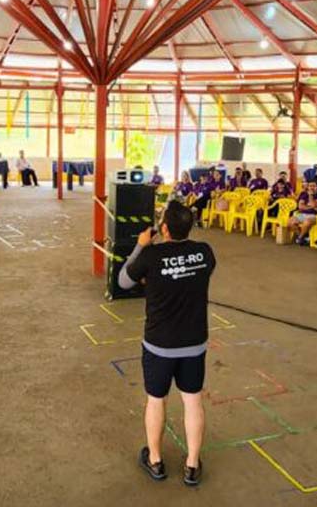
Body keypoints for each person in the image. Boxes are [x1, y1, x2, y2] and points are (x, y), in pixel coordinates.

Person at [117, 202, 215, 486]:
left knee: (156, 400)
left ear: (164, 228)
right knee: (193, 401)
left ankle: (156, 461)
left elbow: (123, 281)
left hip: (160, 344)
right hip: (194, 343)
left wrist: (141, 246)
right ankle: (192, 465)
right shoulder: (205, 252)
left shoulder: (151, 255)